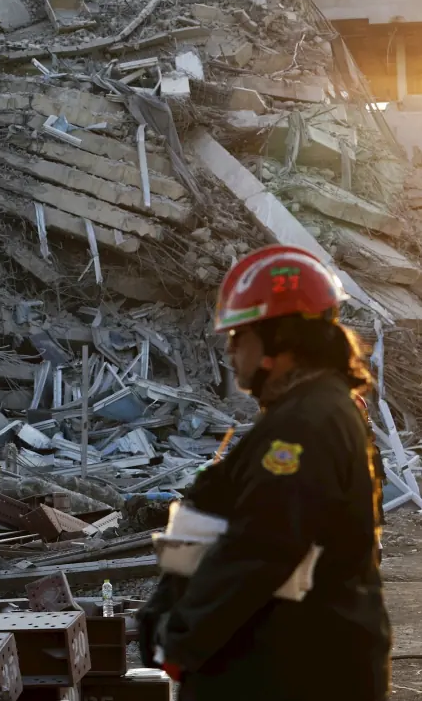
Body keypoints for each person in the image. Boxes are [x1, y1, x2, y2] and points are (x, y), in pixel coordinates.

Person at [137, 244, 391, 701]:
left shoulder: (303, 426)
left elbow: (260, 548)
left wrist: (182, 639)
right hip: (295, 661)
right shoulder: (308, 411)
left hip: (293, 671)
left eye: (240, 338)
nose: (231, 353)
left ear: (279, 342)